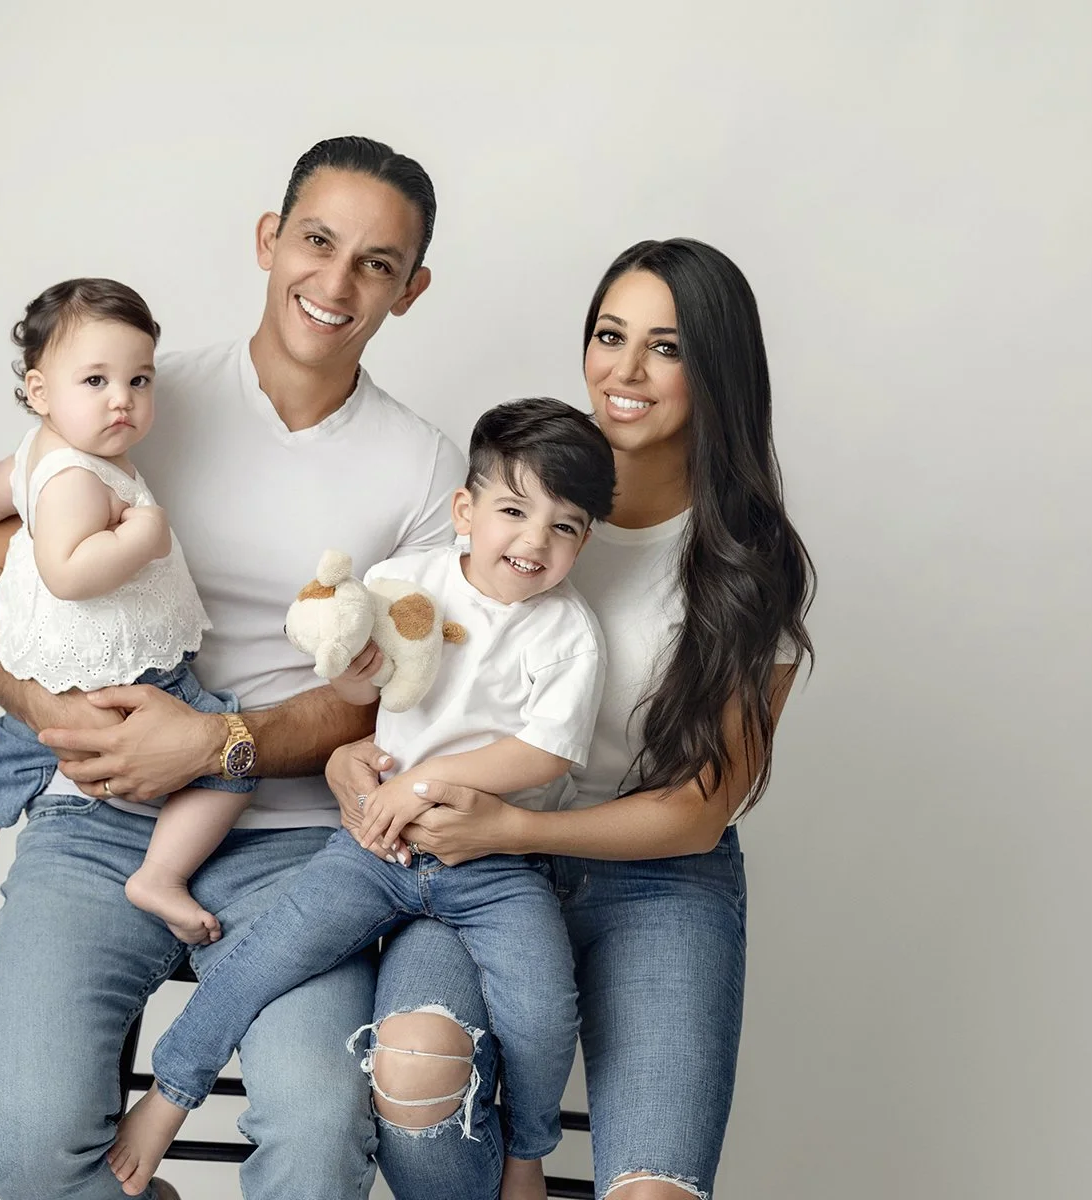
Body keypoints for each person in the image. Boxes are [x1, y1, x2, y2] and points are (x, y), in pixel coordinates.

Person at [0, 136, 461, 1200]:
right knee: (24, 1145)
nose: (336, 282)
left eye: (376, 263)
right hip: (99, 820)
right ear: (269, 240)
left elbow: (402, 690)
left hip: (297, 842)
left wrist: (214, 743)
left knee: (317, 1140)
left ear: (409, 291)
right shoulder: (133, 395)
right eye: (316, 241)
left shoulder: (424, 469)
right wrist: (62, 718)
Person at [331, 238, 814, 1200]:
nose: (624, 372)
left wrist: (516, 825)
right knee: (414, 1076)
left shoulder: (749, 558)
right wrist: (354, 754)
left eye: (666, 348)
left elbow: (702, 811)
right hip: (472, 864)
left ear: (717, 369)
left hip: (657, 879)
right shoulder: (515, 494)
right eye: (609, 336)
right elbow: (410, 672)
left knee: (652, 1192)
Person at [107, 398, 615, 1200]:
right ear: (466, 510)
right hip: (375, 848)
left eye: (565, 527)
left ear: (583, 542)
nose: (534, 542)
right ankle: (169, 1095)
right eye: (515, 512)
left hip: (493, 866)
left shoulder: (569, 635)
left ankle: (526, 1152)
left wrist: (425, 783)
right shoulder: (408, 582)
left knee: (545, 1007)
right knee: (264, 955)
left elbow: (543, 752)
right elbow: (361, 691)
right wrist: (348, 672)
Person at [0, 277, 258, 944]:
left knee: (20, 744)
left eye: (139, 381)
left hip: (57, 664)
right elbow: (68, 574)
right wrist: (142, 538)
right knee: (228, 753)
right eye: (95, 381)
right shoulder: (78, 478)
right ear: (39, 390)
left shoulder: (38, 452)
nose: (122, 400)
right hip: (127, 671)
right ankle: (159, 876)